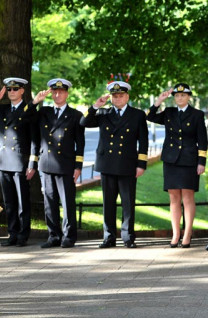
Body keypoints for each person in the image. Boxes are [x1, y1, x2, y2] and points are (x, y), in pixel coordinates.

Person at [81, 81, 148, 248]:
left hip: (127, 164)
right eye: (114, 96)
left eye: (120, 95)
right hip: (107, 164)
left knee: (128, 203)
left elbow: (143, 142)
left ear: (127, 96)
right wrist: (95, 106)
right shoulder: (103, 113)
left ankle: (127, 237)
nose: (117, 99)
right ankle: (109, 237)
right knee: (108, 203)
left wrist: (141, 164)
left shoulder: (137, 115)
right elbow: (84, 122)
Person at [146, 84, 207, 248]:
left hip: (189, 160)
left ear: (189, 97)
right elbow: (150, 117)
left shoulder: (197, 114)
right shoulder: (169, 113)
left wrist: (201, 162)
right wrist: (159, 101)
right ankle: (175, 234)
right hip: (171, 160)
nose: (180, 98)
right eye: (177, 96)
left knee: (188, 197)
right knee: (173, 197)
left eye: (183, 96)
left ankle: (187, 234)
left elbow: (202, 141)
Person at [31, 79, 85, 248]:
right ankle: (53, 235)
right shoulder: (43, 112)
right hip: (46, 164)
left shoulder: (75, 115)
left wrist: (78, 166)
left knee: (67, 202)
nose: (57, 94)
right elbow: (25, 119)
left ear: (67, 93)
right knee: (50, 201)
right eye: (54, 92)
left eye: (61, 92)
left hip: (66, 165)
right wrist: (35, 102)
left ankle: (69, 236)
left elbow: (80, 143)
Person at [0, 78, 39, 247]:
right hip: (3, 161)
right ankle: (12, 233)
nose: (11, 92)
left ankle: (23, 234)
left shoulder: (29, 110)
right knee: (9, 201)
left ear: (22, 90)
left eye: (15, 89)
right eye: (9, 89)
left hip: (19, 161)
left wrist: (32, 163)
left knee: (22, 201)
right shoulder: (2, 110)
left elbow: (34, 139)